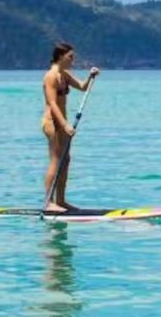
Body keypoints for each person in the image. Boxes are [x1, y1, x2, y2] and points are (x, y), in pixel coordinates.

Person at [41, 42, 100, 212]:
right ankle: (48, 202)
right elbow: (52, 103)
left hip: (62, 124)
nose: (73, 60)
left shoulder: (64, 75)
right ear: (60, 56)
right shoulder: (50, 76)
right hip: (52, 123)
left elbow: (83, 87)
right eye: (70, 57)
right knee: (55, 160)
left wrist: (91, 76)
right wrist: (64, 124)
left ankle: (60, 200)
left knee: (65, 161)